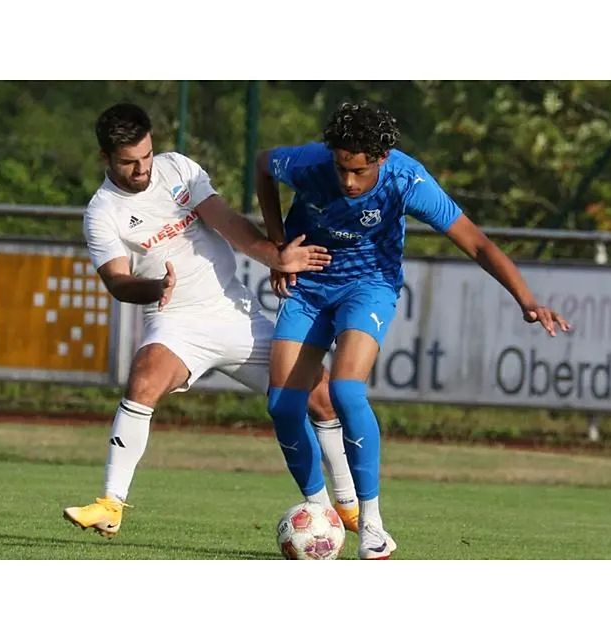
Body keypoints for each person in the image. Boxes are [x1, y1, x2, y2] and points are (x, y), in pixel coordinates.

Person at [256, 100, 571, 559]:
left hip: (368, 287)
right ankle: (321, 514)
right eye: (341, 167)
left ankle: (373, 528)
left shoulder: (408, 180)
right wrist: (278, 242)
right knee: (282, 406)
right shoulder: (308, 163)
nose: (347, 180)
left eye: (359, 171)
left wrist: (527, 301)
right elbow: (263, 165)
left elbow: (477, 243)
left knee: (346, 391)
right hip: (308, 289)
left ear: (381, 159)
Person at [63, 102, 361, 539]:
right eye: (128, 163)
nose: (142, 169)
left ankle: (349, 506)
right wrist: (153, 289)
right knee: (143, 379)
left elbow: (229, 224)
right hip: (176, 320)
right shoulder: (101, 212)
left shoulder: (177, 169)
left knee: (321, 393)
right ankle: (110, 504)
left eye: (145, 157)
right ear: (104, 159)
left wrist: (276, 257)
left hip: (234, 311)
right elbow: (117, 283)